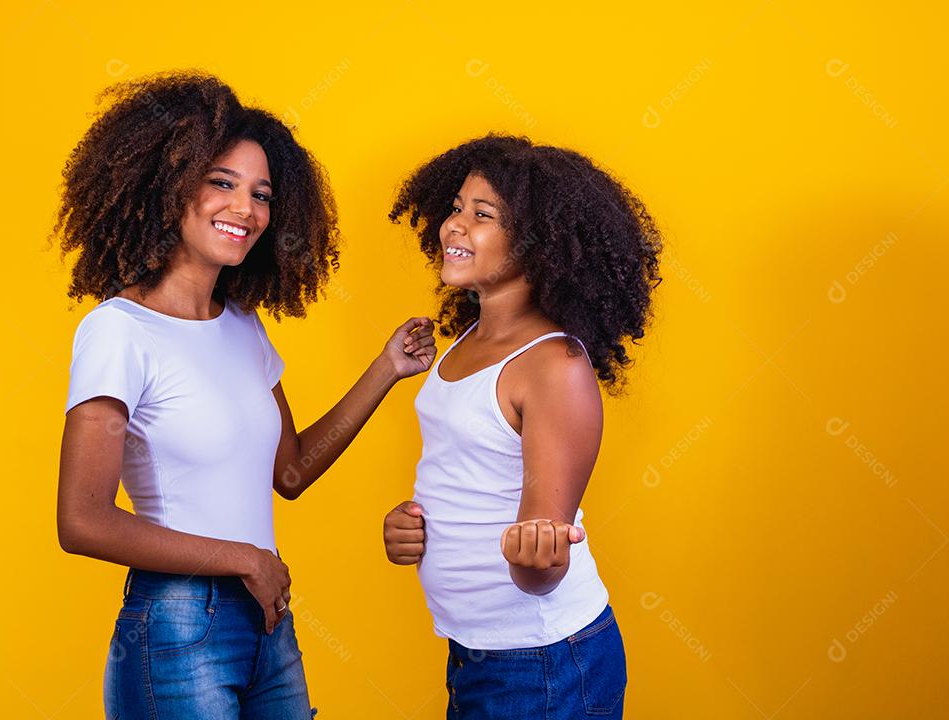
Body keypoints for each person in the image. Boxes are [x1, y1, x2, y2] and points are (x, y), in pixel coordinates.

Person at [52, 71, 436, 719]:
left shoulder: (242, 326)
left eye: (261, 194)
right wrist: (244, 559)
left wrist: (386, 368)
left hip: (265, 616)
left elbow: (289, 472)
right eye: (222, 183)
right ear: (168, 184)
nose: (247, 209)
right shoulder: (118, 331)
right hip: (178, 621)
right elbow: (82, 519)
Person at [383, 134, 662, 719]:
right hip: (477, 653)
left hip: (543, 663)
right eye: (456, 207)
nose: (455, 225)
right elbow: (467, 473)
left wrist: (535, 556)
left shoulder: (552, 366)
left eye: (482, 215)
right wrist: (412, 528)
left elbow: (543, 565)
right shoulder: (465, 344)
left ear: (538, 247)